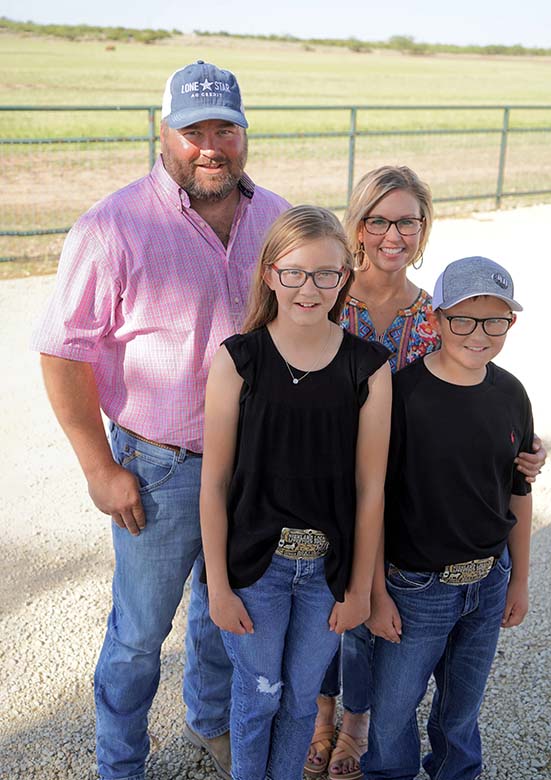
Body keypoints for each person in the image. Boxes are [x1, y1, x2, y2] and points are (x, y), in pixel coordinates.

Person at [31, 60, 289, 780]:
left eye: (225, 129)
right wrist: (99, 469)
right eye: (193, 130)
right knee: (141, 634)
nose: (211, 145)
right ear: (163, 133)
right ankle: (120, 763)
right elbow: (62, 352)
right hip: (158, 466)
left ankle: (210, 724)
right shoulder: (112, 228)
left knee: (221, 613)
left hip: (252, 466)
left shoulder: (275, 217)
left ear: (244, 133)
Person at [304, 167, 545, 780]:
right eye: (379, 220)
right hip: (320, 485)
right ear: (358, 226)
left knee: (373, 627)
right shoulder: (324, 294)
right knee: (325, 611)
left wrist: (524, 453)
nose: (392, 233)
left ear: (422, 229)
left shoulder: (429, 312)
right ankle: (323, 718)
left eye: (407, 221)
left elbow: (479, 414)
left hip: (400, 496)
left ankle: (360, 729)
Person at [199, 205, 392, 780]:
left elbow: (371, 487)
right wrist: (216, 585)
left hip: (326, 575)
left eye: (326, 275)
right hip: (256, 569)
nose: (309, 288)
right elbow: (214, 483)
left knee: (302, 702)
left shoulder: (368, 368)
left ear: (344, 280)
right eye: (295, 273)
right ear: (269, 274)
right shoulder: (239, 360)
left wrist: (359, 587)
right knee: (259, 695)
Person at [363, 255, 534, 780]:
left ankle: (458, 772)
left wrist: (519, 580)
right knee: (392, 713)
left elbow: (518, 490)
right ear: (435, 319)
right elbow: (372, 498)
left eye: (494, 321)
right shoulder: (402, 394)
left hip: (488, 580)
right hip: (417, 588)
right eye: (462, 319)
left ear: (510, 323)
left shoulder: (511, 393)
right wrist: (375, 591)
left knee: (461, 708)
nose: (478, 334)